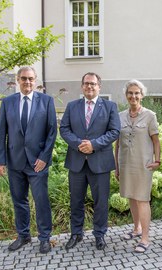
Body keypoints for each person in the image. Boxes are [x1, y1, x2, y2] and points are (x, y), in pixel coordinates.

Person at [0, 66, 57, 254]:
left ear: (35, 80)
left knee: (41, 201)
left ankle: (44, 237)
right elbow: (1, 133)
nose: (27, 82)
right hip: (15, 162)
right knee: (19, 200)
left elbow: (52, 132)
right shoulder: (8, 102)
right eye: (24, 79)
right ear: (18, 80)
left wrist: (44, 158)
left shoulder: (46, 101)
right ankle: (23, 235)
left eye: (30, 79)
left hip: (38, 163)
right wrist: (0, 160)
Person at [59, 72, 121, 251]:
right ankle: (76, 234)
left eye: (93, 84)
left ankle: (99, 235)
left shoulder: (109, 106)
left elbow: (114, 131)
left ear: (99, 86)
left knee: (101, 201)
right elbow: (64, 129)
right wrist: (79, 144)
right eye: (86, 83)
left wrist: (93, 144)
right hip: (77, 162)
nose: (89, 87)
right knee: (76, 200)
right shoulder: (72, 106)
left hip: (100, 163)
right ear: (82, 86)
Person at [115, 79, 161, 253]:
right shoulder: (119, 116)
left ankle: (145, 238)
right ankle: (136, 229)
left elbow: (156, 141)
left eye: (137, 93)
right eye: (130, 93)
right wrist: (117, 166)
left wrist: (157, 160)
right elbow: (117, 145)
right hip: (126, 163)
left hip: (143, 164)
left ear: (142, 95)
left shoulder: (150, 115)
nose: (133, 96)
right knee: (131, 197)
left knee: (142, 199)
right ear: (126, 95)